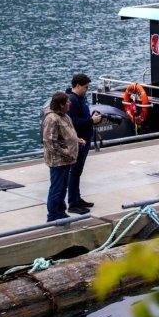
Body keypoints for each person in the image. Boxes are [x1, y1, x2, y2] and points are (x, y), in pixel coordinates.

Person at [41, 91, 83, 222]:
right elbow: (50, 142)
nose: (70, 103)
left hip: (67, 160)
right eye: (67, 102)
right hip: (58, 161)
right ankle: (53, 215)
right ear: (61, 104)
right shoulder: (51, 119)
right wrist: (66, 152)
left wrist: (77, 140)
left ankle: (61, 211)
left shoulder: (65, 116)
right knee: (57, 187)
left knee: (63, 187)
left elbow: (67, 134)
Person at [66, 73, 102, 214]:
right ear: (78, 85)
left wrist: (91, 118)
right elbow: (73, 122)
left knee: (78, 171)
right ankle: (72, 203)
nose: (87, 90)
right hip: (78, 141)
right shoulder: (72, 100)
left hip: (85, 139)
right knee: (74, 172)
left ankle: (77, 198)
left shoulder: (80, 98)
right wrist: (91, 121)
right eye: (85, 87)